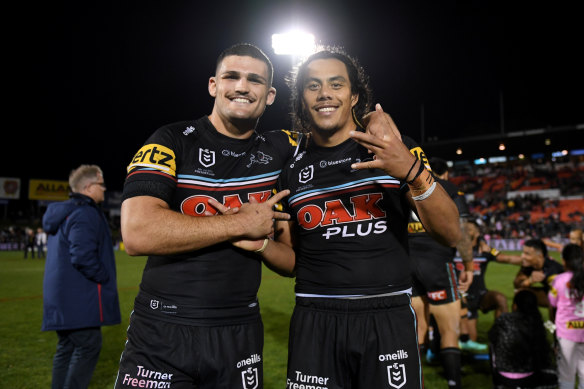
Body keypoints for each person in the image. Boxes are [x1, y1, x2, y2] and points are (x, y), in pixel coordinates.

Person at [265, 47, 461, 388]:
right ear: (301, 99)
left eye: (336, 84)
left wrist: (411, 171)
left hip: (388, 315)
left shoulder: (394, 148)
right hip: (315, 316)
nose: (325, 93)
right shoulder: (290, 167)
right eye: (313, 86)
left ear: (354, 96)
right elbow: (292, 260)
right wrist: (256, 245)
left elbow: (450, 233)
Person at [114, 43, 302, 389]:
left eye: (255, 80)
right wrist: (240, 223)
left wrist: (261, 245)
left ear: (271, 94)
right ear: (214, 85)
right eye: (232, 76)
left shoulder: (282, 151)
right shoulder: (170, 140)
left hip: (240, 330)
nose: (243, 87)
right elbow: (138, 233)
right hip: (161, 330)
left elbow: (292, 262)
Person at [42, 164, 121, 389]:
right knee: (89, 345)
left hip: (62, 295)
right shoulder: (84, 213)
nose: (105, 189)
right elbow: (82, 255)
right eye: (101, 184)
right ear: (88, 187)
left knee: (66, 347)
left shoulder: (68, 211)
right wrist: (103, 276)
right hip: (78, 296)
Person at [408, 157, 474, 389]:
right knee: (449, 330)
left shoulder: (404, 186)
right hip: (438, 264)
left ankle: (412, 382)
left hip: (408, 266)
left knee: (418, 331)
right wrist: (468, 266)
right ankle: (454, 382)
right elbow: (463, 231)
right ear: (444, 173)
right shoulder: (448, 188)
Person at [456, 221, 523, 349]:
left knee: (500, 298)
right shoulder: (454, 248)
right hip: (460, 297)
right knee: (471, 339)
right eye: (464, 229)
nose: (465, 231)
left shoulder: (486, 250)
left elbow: (506, 258)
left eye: (470, 229)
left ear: (477, 233)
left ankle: (502, 336)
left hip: (480, 295)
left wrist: (535, 260)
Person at [488, 290, 557, 388]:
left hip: (502, 376)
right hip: (529, 377)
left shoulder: (503, 319)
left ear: (515, 305)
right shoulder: (536, 323)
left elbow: (492, 340)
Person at [548, 243, 584, 389]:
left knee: (566, 375)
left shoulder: (559, 280)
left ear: (564, 261)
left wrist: (551, 328)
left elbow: (552, 304)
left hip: (566, 333)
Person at [513, 238, 565, 310]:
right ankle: (519, 319)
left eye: (527, 254)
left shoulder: (553, 270)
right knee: (520, 294)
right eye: (523, 252)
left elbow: (559, 299)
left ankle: (552, 321)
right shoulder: (529, 264)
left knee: (553, 299)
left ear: (540, 256)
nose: (522, 256)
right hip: (549, 291)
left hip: (568, 297)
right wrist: (530, 281)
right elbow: (517, 284)